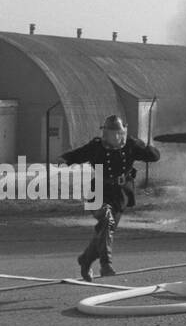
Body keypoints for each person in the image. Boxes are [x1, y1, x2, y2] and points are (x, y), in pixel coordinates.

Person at [65, 115, 161, 280]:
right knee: (107, 222)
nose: (117, 137)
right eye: (112, 133)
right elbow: (76, 155)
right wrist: (63, 159)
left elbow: (154, 156)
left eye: (120, 133)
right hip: (99, 191)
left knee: (105, 230)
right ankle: (106, 264)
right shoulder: (96, 147)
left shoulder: (131, 145)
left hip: (120, 194)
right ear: (105, 133)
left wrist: (143, 144)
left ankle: (85, 260)